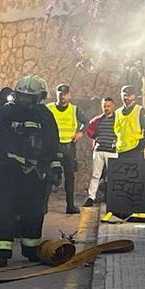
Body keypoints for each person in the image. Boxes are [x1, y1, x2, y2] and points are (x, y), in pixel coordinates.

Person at [0, 75, 60, 267]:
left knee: (34, 212)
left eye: (28, 97)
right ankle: (2, 252)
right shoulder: (8, 111)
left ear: (38, 98)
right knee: (6, 211)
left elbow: (52, 143)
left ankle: (31, 249)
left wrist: (55, 167)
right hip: (8, 172)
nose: (24, 100)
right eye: (21, 96)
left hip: (34, 173)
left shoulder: (44, 115)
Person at [46, 84, 87, 214]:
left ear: (69, 95)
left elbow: (87, 122)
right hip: (53, 147)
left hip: (68, 147)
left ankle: (70, 206)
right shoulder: (49, 108)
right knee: (49, 175)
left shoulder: (74, 109)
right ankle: (43, 206)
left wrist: (80, 132)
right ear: (57, 94)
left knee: (69, 177)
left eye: (64, 94)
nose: (62, 96)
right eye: (60, 94)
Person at [84, 97, 118, 207]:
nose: (106, 108)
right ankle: (91, 197)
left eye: (108, 106)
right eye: (104, 106)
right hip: (99, 150)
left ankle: (110, 197)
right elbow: (90, 129)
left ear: (113, 106)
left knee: (112, 176)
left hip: (112, 151)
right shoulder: (98, 120)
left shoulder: (118, 119)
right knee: (95, 175)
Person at [114, 85, 145, 159]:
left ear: (134, 96)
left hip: (136, 149)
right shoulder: (117, 112)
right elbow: (115, 130)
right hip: (121, 150)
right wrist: (114, 143)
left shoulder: (140, 110)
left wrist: (142, 143)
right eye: (125, 95)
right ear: (121, 96)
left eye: (129, 95)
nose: (127, 98)